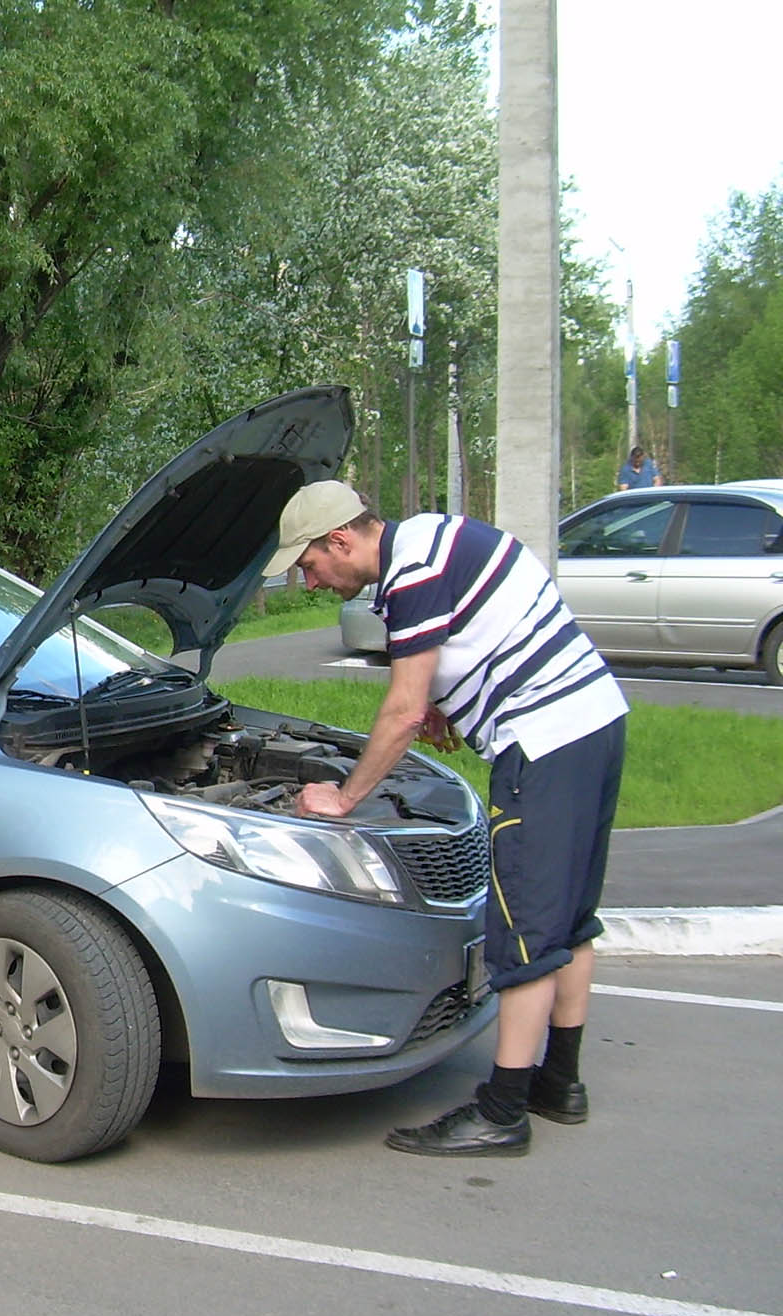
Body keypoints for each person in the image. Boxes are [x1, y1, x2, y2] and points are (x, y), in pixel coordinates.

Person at [265, 482, 628, 1157]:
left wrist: (343, 798)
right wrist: (450, 700)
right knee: (572, 919)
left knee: (522, 932)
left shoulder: (411, 573)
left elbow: (402, 709)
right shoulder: (435, 539)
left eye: (309, 564)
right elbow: (473, 640)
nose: (310, 580)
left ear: (340, 539)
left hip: (544, 744)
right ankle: (560, 1084)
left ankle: (503, 1110)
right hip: (596, 723)